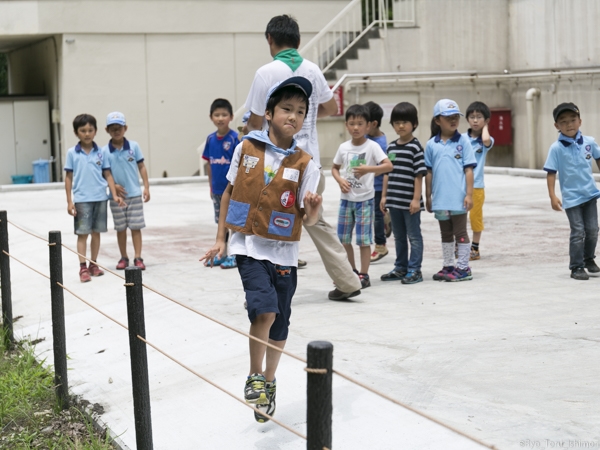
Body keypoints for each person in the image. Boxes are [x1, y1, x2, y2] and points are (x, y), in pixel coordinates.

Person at [201, 77, 322, 423]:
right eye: (286, 109)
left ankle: (269, 381)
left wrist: (312, 208)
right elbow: (228, 193)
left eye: (300, 112)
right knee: (263, 311)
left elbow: (308, 218)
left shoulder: (307, 165)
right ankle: (255, 375)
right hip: (248, 246)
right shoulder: (246, 148)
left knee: (280, 321)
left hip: (283, 252)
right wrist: (221, 238)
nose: (293, 116)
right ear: (268, 113)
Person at [244, 14, 362, 300]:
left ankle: (265, 287)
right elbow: (331, 107)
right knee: (316, 222)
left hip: (275, 164)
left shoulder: (266, 72)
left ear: (270, 40)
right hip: (310, 163)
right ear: (298, 41)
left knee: (265, 220)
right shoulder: (312, 69)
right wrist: (304, 117)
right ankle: (347, 281)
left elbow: (255, 121)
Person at [332, 104, 392, 288]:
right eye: (352, 123)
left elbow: (388, 166)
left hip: (365, 201)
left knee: (364, 241)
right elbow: (335, 168)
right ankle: (352, 272)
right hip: (346, 201)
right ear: (346, 125)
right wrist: (340, 180)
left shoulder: (372, 146)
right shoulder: (343, 147)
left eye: (360, 123)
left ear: (368, 126)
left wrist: (369, 169)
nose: (356, 127)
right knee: (343, 239)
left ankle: (364, 275)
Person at [64, 114, 125, 283]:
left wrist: (114, 195)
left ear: (96, 131)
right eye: (83, 130)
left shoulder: (101, 152)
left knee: (96, 233)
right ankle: (82, 266)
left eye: (90, 130)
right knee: (83, 234)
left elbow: (108, 174)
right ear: (76, 133)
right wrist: (69, 201)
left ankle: (93, 263)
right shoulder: (72, 153)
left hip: (100, 198)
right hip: (82, 199)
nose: (87, 133)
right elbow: (68, 177)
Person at [544, 102, 600, 280]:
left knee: (592, 230)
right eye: (564, 121)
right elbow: (551, 173)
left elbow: (598, 158)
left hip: (590, 194)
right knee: (578, 231)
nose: (569, 124)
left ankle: (588, 259)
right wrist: (552, 196)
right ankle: (576, 266)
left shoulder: (589, 142)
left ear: (580, 121)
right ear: (556, 126)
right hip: (571, 198)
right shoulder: (556, 148)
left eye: (573, 120)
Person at [425, 99, 476, 282]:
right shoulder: (431, 144)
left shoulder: (463, 142)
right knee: (445, 234)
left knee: (460, 233)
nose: (453, 121)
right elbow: (428, 172)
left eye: (456, 117)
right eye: (448, 117)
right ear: (438, 120)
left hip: (458, 198)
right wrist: (428, 195)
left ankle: (463, 268)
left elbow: (469, 170)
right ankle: (448, 266)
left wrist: (469, 195)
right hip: (440, 199)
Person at [380, 102, 426, 284]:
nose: (401, 126)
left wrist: (416, 199)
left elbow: (419, 175)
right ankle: (401, 267)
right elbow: (387, 174)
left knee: (413, 236)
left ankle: (415, 269)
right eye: (397, 122)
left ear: (414, 124)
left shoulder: (415, 147)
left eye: (405, 122)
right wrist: (384, 196)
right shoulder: (391, 148)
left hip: (410, 203)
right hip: (394, 201)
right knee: (399, 236)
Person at [103, 112, 150, 270]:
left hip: (134, 194)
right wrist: (113, 187)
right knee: (121, 228)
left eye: (119, 128)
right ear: (107, 130)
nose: (116, 131)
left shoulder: (134, 147)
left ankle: (138, 257)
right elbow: (103, 173)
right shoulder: (104, 151)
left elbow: (141, 167)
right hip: (116, 198)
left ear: (125, 128)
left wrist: (146, 187)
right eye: (112, 128)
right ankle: (124, 257)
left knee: (136, 227)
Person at [202, 99, 240, 269]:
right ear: (211, 117)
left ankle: (234, 255)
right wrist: (211, 186)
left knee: (232, 223)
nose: (220, 118)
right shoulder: (210, 139)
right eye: (217, 115)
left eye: (224, 114)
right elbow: (208, 163)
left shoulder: (234, 139)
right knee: (221, 222)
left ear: (231, 117)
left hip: (232, 190)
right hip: (217, 190)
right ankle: (221, 253)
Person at [463, 101, 494, 261]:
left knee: (475, 217)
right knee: (458, 216)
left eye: (479, 117)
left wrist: (485, 127)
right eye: (472, 117)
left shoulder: (485, 140)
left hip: (477, 186)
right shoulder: (461, 138)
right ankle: (460, 245)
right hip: (460, 186)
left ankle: (475, 247)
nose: (475, 120)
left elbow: (487, 140)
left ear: (486, 120)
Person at [364, 101, 391, 262]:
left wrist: (367, 172)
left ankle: (381, 245)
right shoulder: (366, 137)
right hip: (366, 186)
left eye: (363, 123)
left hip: (378, 186)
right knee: (372, 216)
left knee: (375, 216)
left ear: (373, 123)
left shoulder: (381, 143)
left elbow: (385, 168)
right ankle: (386, 217)